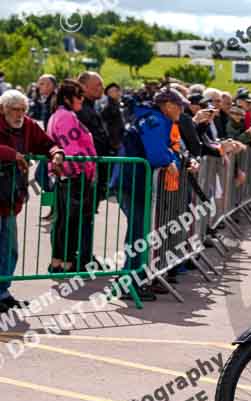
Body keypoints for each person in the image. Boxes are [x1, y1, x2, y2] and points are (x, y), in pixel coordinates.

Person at [112, 87, 185, 301]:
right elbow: (156, 153)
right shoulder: (155, 120)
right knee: (138, 232)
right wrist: (169, 160)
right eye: (179, 106)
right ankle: (130, 282)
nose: (181, 110)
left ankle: (136, 277)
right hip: (132, 180)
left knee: (139, 232)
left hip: (133, 180)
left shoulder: (153, 118)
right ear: (168, 105)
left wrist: (169, 157)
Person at [0, 89, 65, 311]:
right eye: (14, 109)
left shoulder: (28, 125)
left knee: (9, 249)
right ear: (3, 109)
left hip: (10, 197)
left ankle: (3, 292)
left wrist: (56, 153)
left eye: (22, 109)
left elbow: (47, 143)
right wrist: (12, 154)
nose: (19, 114)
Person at [47, 79, 98, 273]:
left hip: (67, 175)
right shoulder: (66, 116)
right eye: (79, 95)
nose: (82, 99)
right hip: (74, 175)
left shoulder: (58, 115)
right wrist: (81, 170)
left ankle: (58, 261)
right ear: (68, 98)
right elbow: (72, 148)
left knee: (63, 221)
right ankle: (65, 263)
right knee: (70, 222)